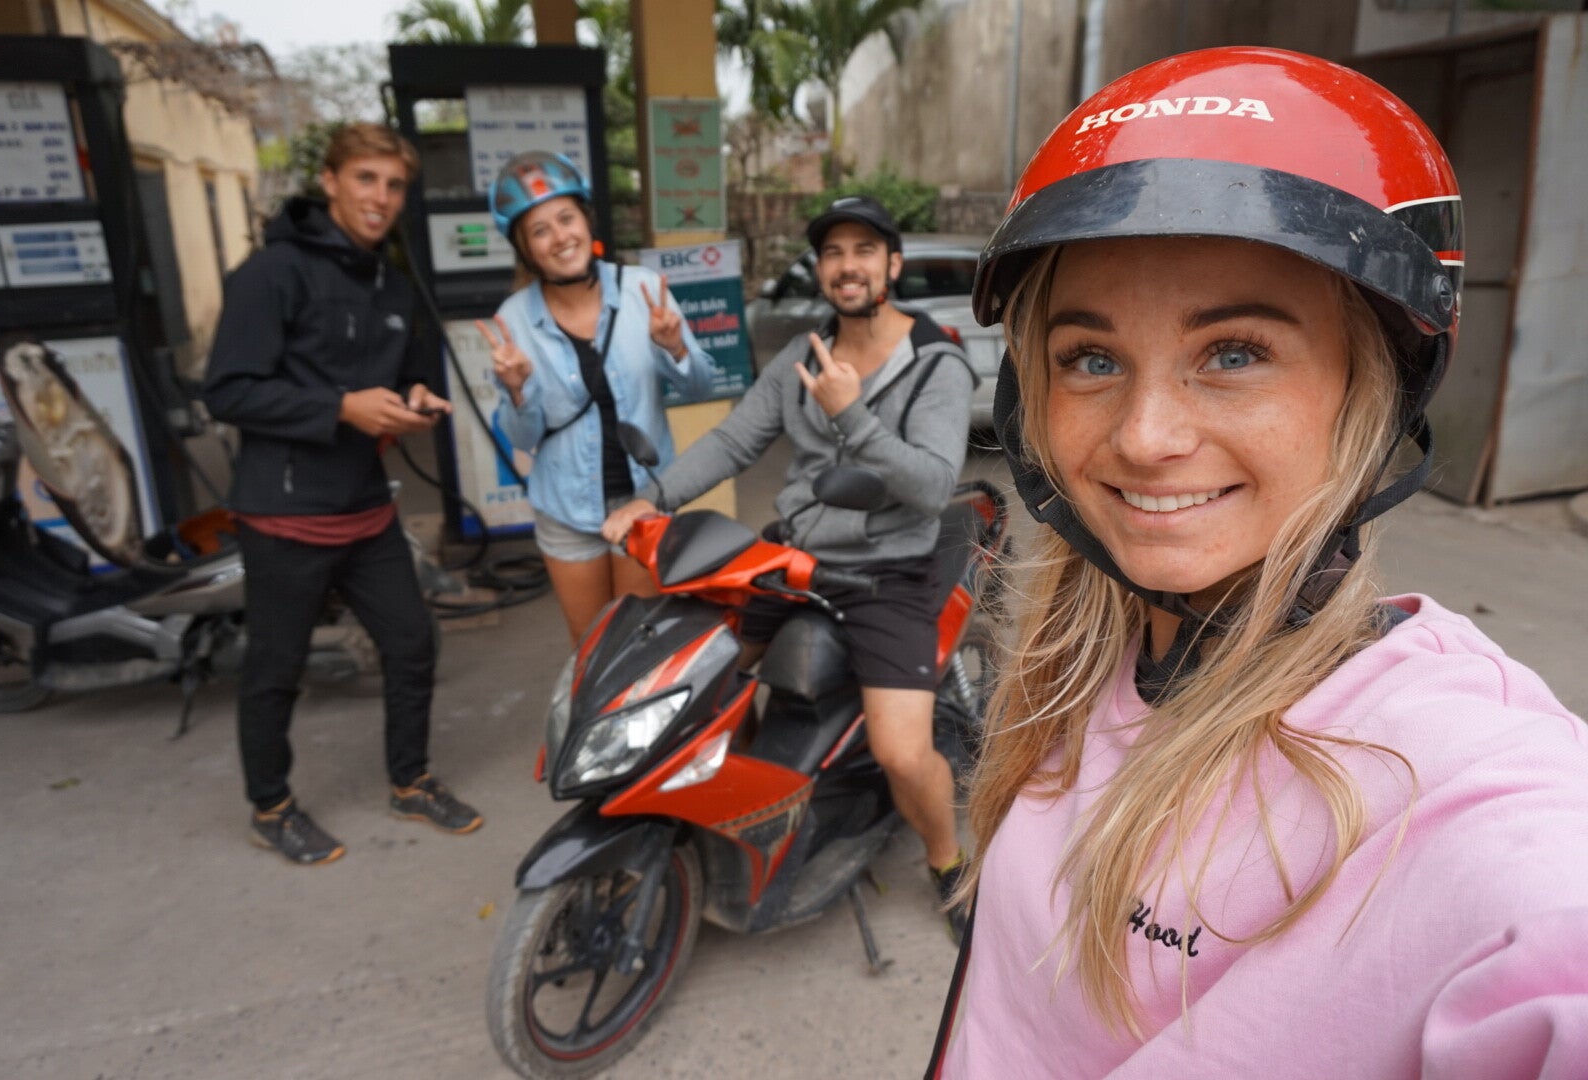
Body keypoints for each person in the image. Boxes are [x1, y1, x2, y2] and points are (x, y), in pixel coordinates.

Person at [927, 47, 1588, 1077]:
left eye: (1233, 353)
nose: (1144, 436)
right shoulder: (1078, 653)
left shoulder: (1454, 776)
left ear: (1370, 388)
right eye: (1090, 358)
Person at [603, 195, 980, 936]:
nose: (848, 265)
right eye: (834, 252)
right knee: (691, 676)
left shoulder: (937, 361)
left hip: (886, 574)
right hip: (791, 557)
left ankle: (947, 862)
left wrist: (850, 415)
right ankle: (748, 810)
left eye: (864, 251)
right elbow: (734, 440)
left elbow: (933, 486)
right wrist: (652, 499)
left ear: (892, 266)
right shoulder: (801, 356)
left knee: (902, 752)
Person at [203, 122, 481, 867]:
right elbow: (227, 391)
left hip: (364, 506)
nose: (380, 197)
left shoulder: (392, 283)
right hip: (285, 511)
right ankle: (271, 808)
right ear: (330, 181)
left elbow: (407, 374)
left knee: (412, 643)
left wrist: (416, 397)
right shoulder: (271, 273)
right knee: (276, 668)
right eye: (365, 179)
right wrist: (339, 408)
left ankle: (410, 781)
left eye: (393, 185)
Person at [477, 151, 716, 645]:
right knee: (591, 648)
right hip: (567, 509)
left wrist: (674, 347)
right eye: (540, 230)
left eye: (567, 218)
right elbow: (522, 439)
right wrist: (517, 389)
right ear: (525, 248)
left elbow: (701, 387)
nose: (560, 237)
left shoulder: (644, 291)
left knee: (639, 644)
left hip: (644, 500)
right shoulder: (514, 318)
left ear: (587, 221)